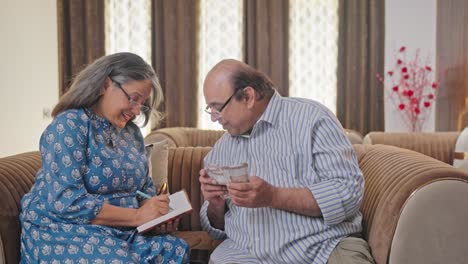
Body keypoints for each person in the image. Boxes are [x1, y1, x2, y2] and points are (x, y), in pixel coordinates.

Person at [199, 59, 375, 263]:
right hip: (246, 254)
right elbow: (216, 230)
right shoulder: (221, 149)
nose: (214, 117)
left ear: (248, 96)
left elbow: (347, 193)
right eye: (210, 109)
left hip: (323, 248)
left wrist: (274, 196)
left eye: (218, 107)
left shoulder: (312, 118)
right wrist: (215, 204)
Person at [20, 52, 189, 263]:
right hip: (63, 230)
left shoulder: (132, 134)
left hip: (119, 232)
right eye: (134, 99)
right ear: (104, 85)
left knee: (174, 250)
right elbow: (67, 202)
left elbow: (143, 194)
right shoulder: (69, 126)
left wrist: (157, 217)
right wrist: (137, 216)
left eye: (142, 104)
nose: (136, 111)